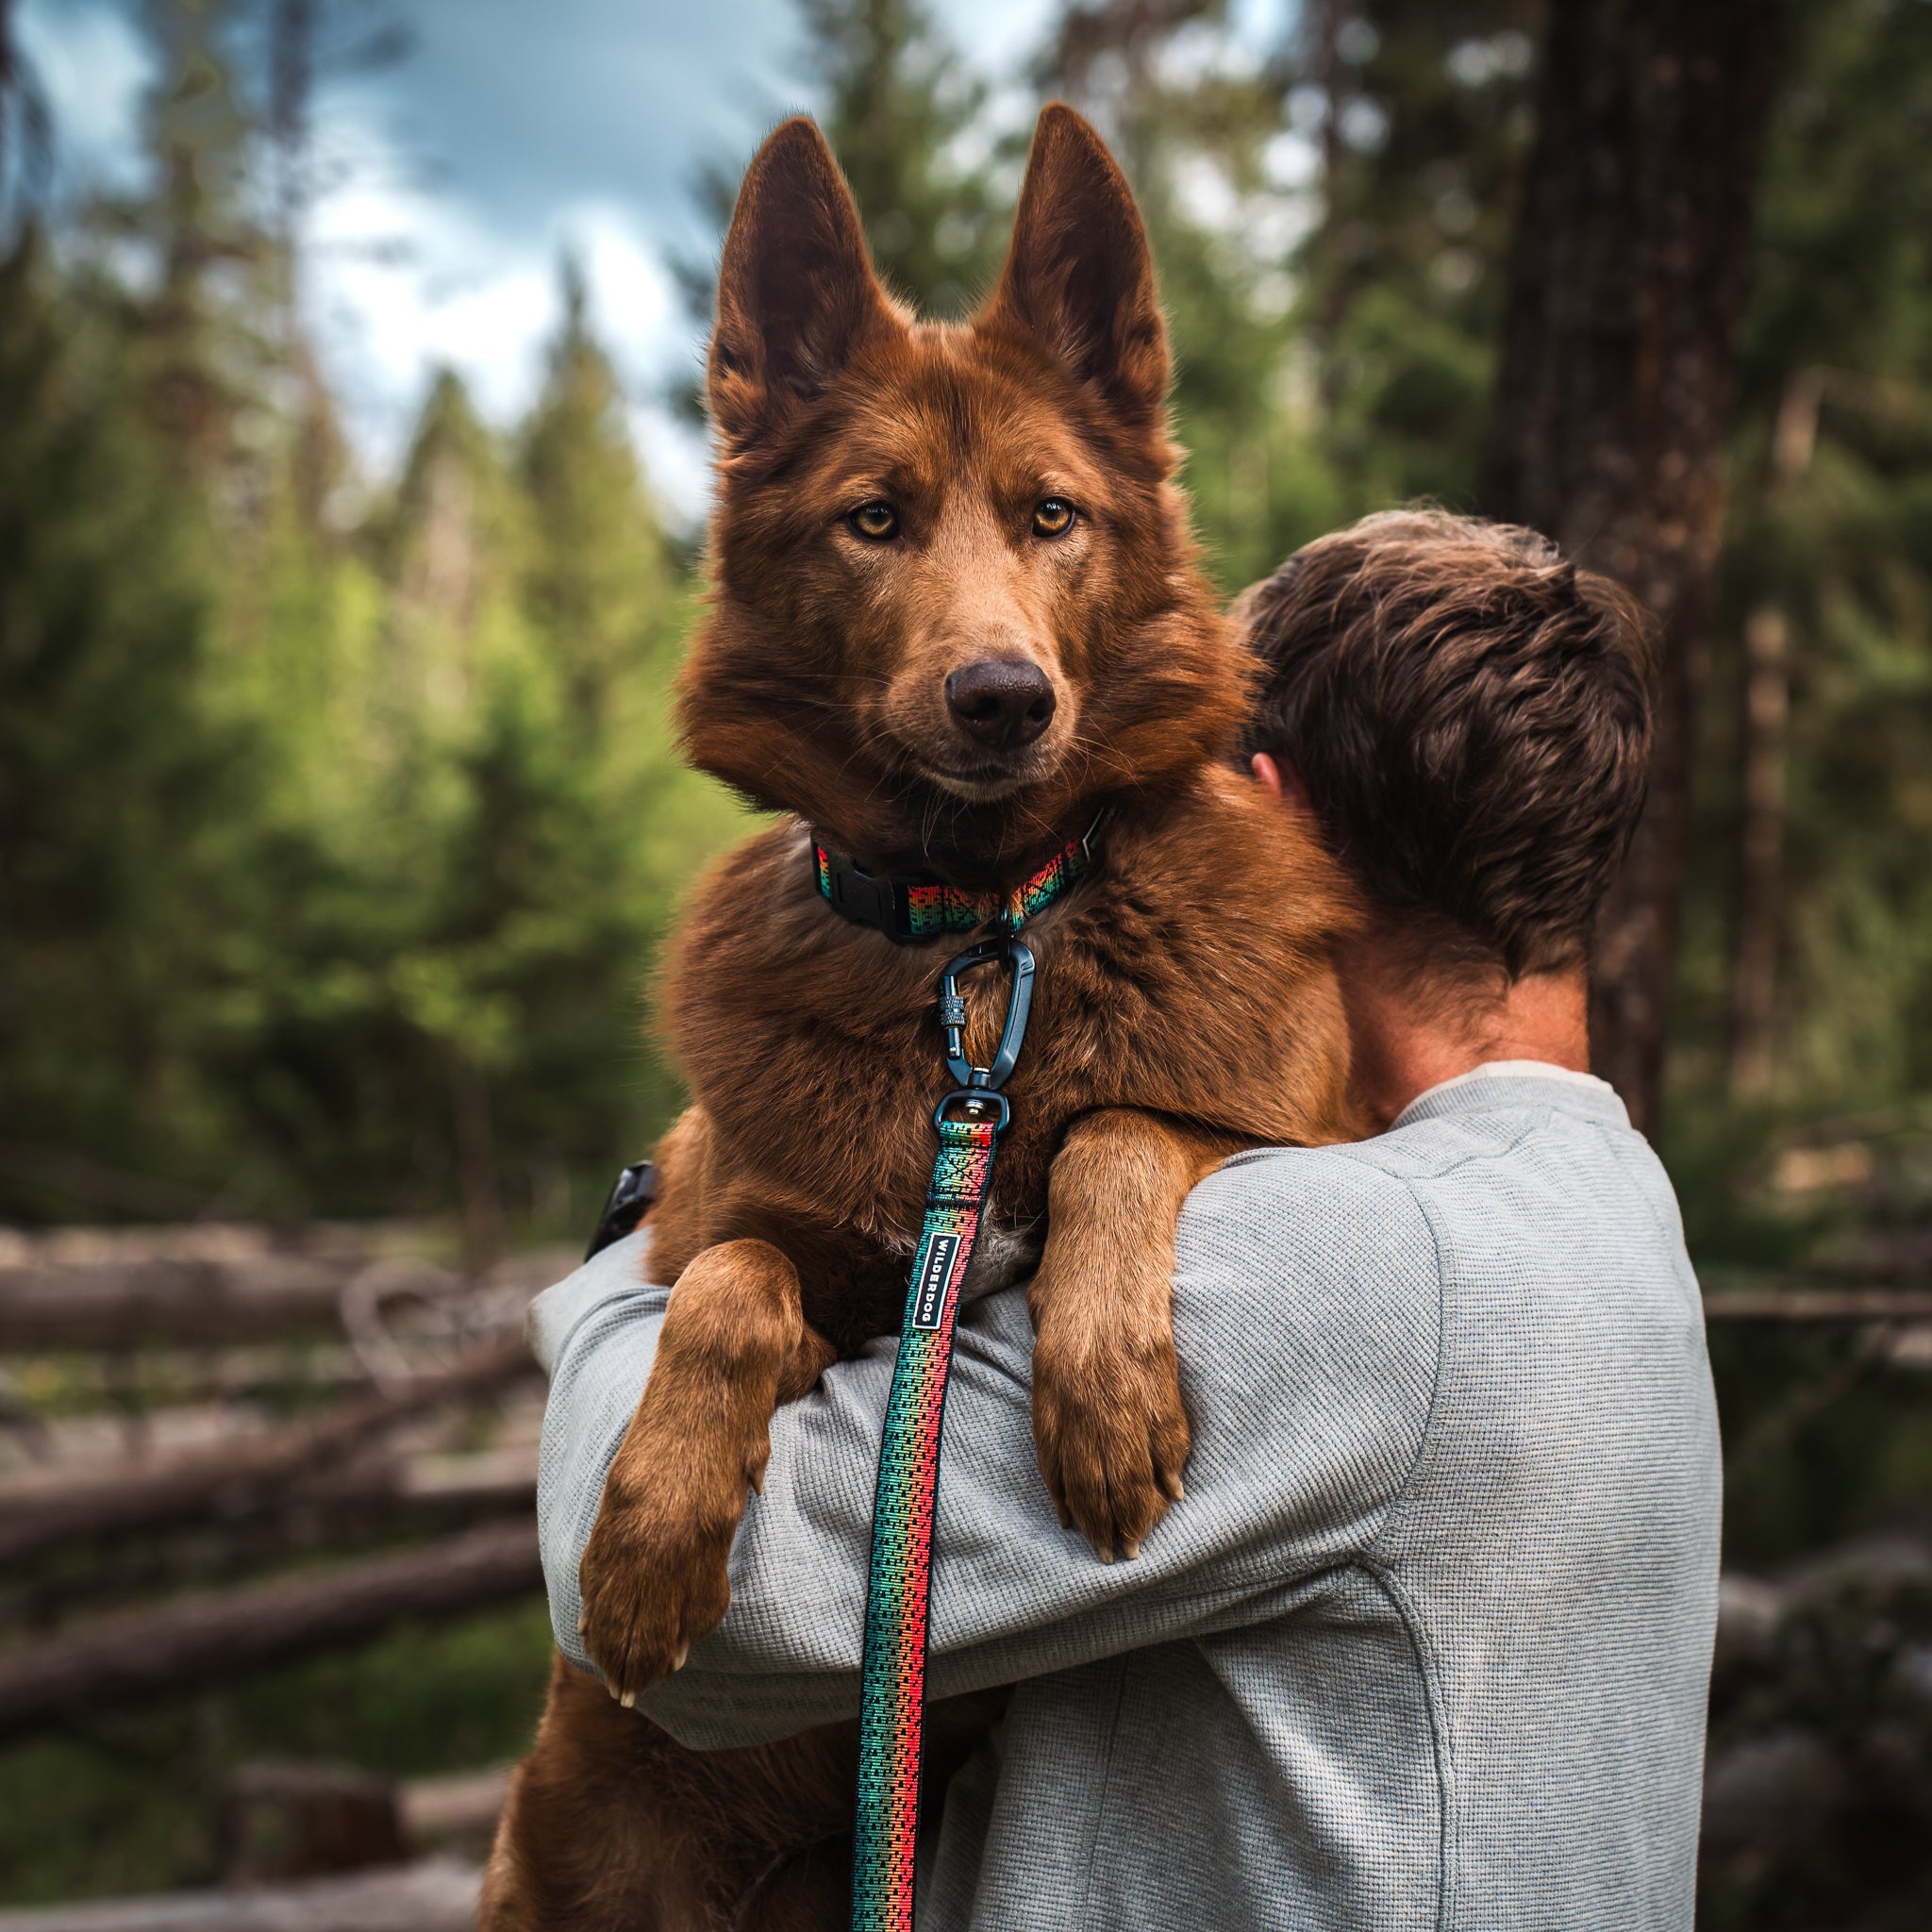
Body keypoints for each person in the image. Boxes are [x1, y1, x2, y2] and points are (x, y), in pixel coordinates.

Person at [527, 509, 1721, 1930]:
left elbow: (719, 1628)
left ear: (1259, 810)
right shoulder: (1612, 1206)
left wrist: (627, 1262)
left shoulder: (1353, 1263)